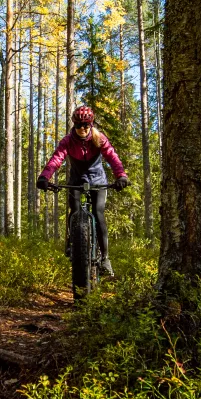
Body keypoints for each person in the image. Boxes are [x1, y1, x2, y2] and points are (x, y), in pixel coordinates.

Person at [36, 105, 129, 276]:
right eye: (78, 125)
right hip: (77, 181)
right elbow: (56, 159)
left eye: (86, 125)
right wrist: (44, 177)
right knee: (75, 211)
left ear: (91, 124)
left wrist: (121, 175)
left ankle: (105, 259)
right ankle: (72, 244)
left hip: (98, 181)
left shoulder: (98, 138)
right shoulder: (68, 141)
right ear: (74, 125)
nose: (82, 129)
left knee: (98, 213)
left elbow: (112, 156)